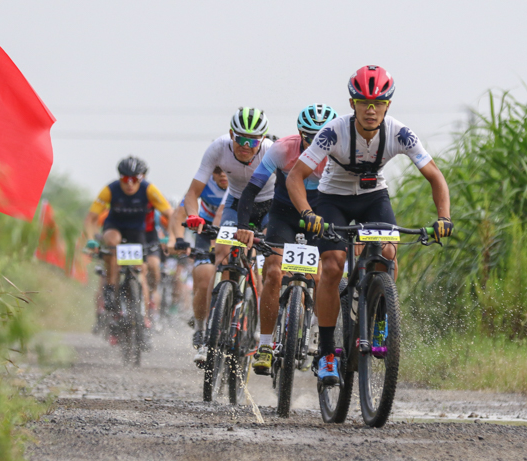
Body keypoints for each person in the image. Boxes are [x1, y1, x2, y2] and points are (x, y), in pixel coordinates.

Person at [285, 66, 453, 384]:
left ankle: (379, 316)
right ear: (352, 104)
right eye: (364, 102)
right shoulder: (334, 131)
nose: (371, 109)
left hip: (373, 197)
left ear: (388, 105)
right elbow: (296, 177)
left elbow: (435, 176)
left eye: (378, 103)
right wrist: (308, 214)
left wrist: (443, 217)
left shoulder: (399, 132)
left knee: (388, 253)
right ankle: (327, 354)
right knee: (333, 266)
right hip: (332, 199)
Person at [232, 104, 338, 375]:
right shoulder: (282, 148)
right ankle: (265, 345)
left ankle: (315, 334)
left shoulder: (339, 152)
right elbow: (251, 190)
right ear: (300, 134)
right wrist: (243, 226)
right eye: (309, 137)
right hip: (284, 214)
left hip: (320, 214)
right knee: (274, 272)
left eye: (321, 137)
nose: (316, 143)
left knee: (324, 275)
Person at [180, 108, 275, 363]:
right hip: (235, 203)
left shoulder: (271, 150)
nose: (246, 146)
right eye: (240, 138)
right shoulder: (218, 148)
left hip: (270, 204)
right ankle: (215, 322)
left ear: (262, 139)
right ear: (231, 134)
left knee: (271, 265)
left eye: (252, 140)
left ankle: (257, 326)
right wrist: (193, 215)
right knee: (222, 257)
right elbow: (192, 194)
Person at [83, 156, 173, 342]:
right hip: (114, 228)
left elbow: (170, 214)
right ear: (120, 178)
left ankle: (145, 315)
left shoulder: (149, 189)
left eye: (135, 180)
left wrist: (171, 237)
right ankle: (111, 287)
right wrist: (91, 240)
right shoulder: (110, 190)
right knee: (112, 243)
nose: (130, 184)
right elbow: (91, 218)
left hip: (138, 233)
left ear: (142, 178)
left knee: (144, 271)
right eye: (125, 180)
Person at [169, 167, 229, 362]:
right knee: (204, 277)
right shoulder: (203, 184)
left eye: (226, 170)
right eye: (217, 170)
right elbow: (179, 213)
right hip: (207, 231)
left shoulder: (244, 180)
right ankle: (201, 329)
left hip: (234, 230)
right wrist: (178, 239)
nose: (223, 175)